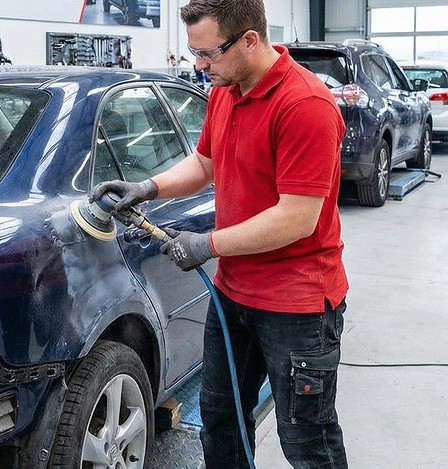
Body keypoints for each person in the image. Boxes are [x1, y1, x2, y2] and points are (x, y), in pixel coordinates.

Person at [89, 0, 349, 467]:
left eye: (208, 53)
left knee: (307, 439)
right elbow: (204, 163)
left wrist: (205, 244)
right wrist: (148, 187)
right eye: (195, 53)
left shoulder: (305, 105)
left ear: (249, 40)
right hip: (233, 296)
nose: (199, 65)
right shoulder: (226, 91)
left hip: (297, 306)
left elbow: (296, 217)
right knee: (221, 422)